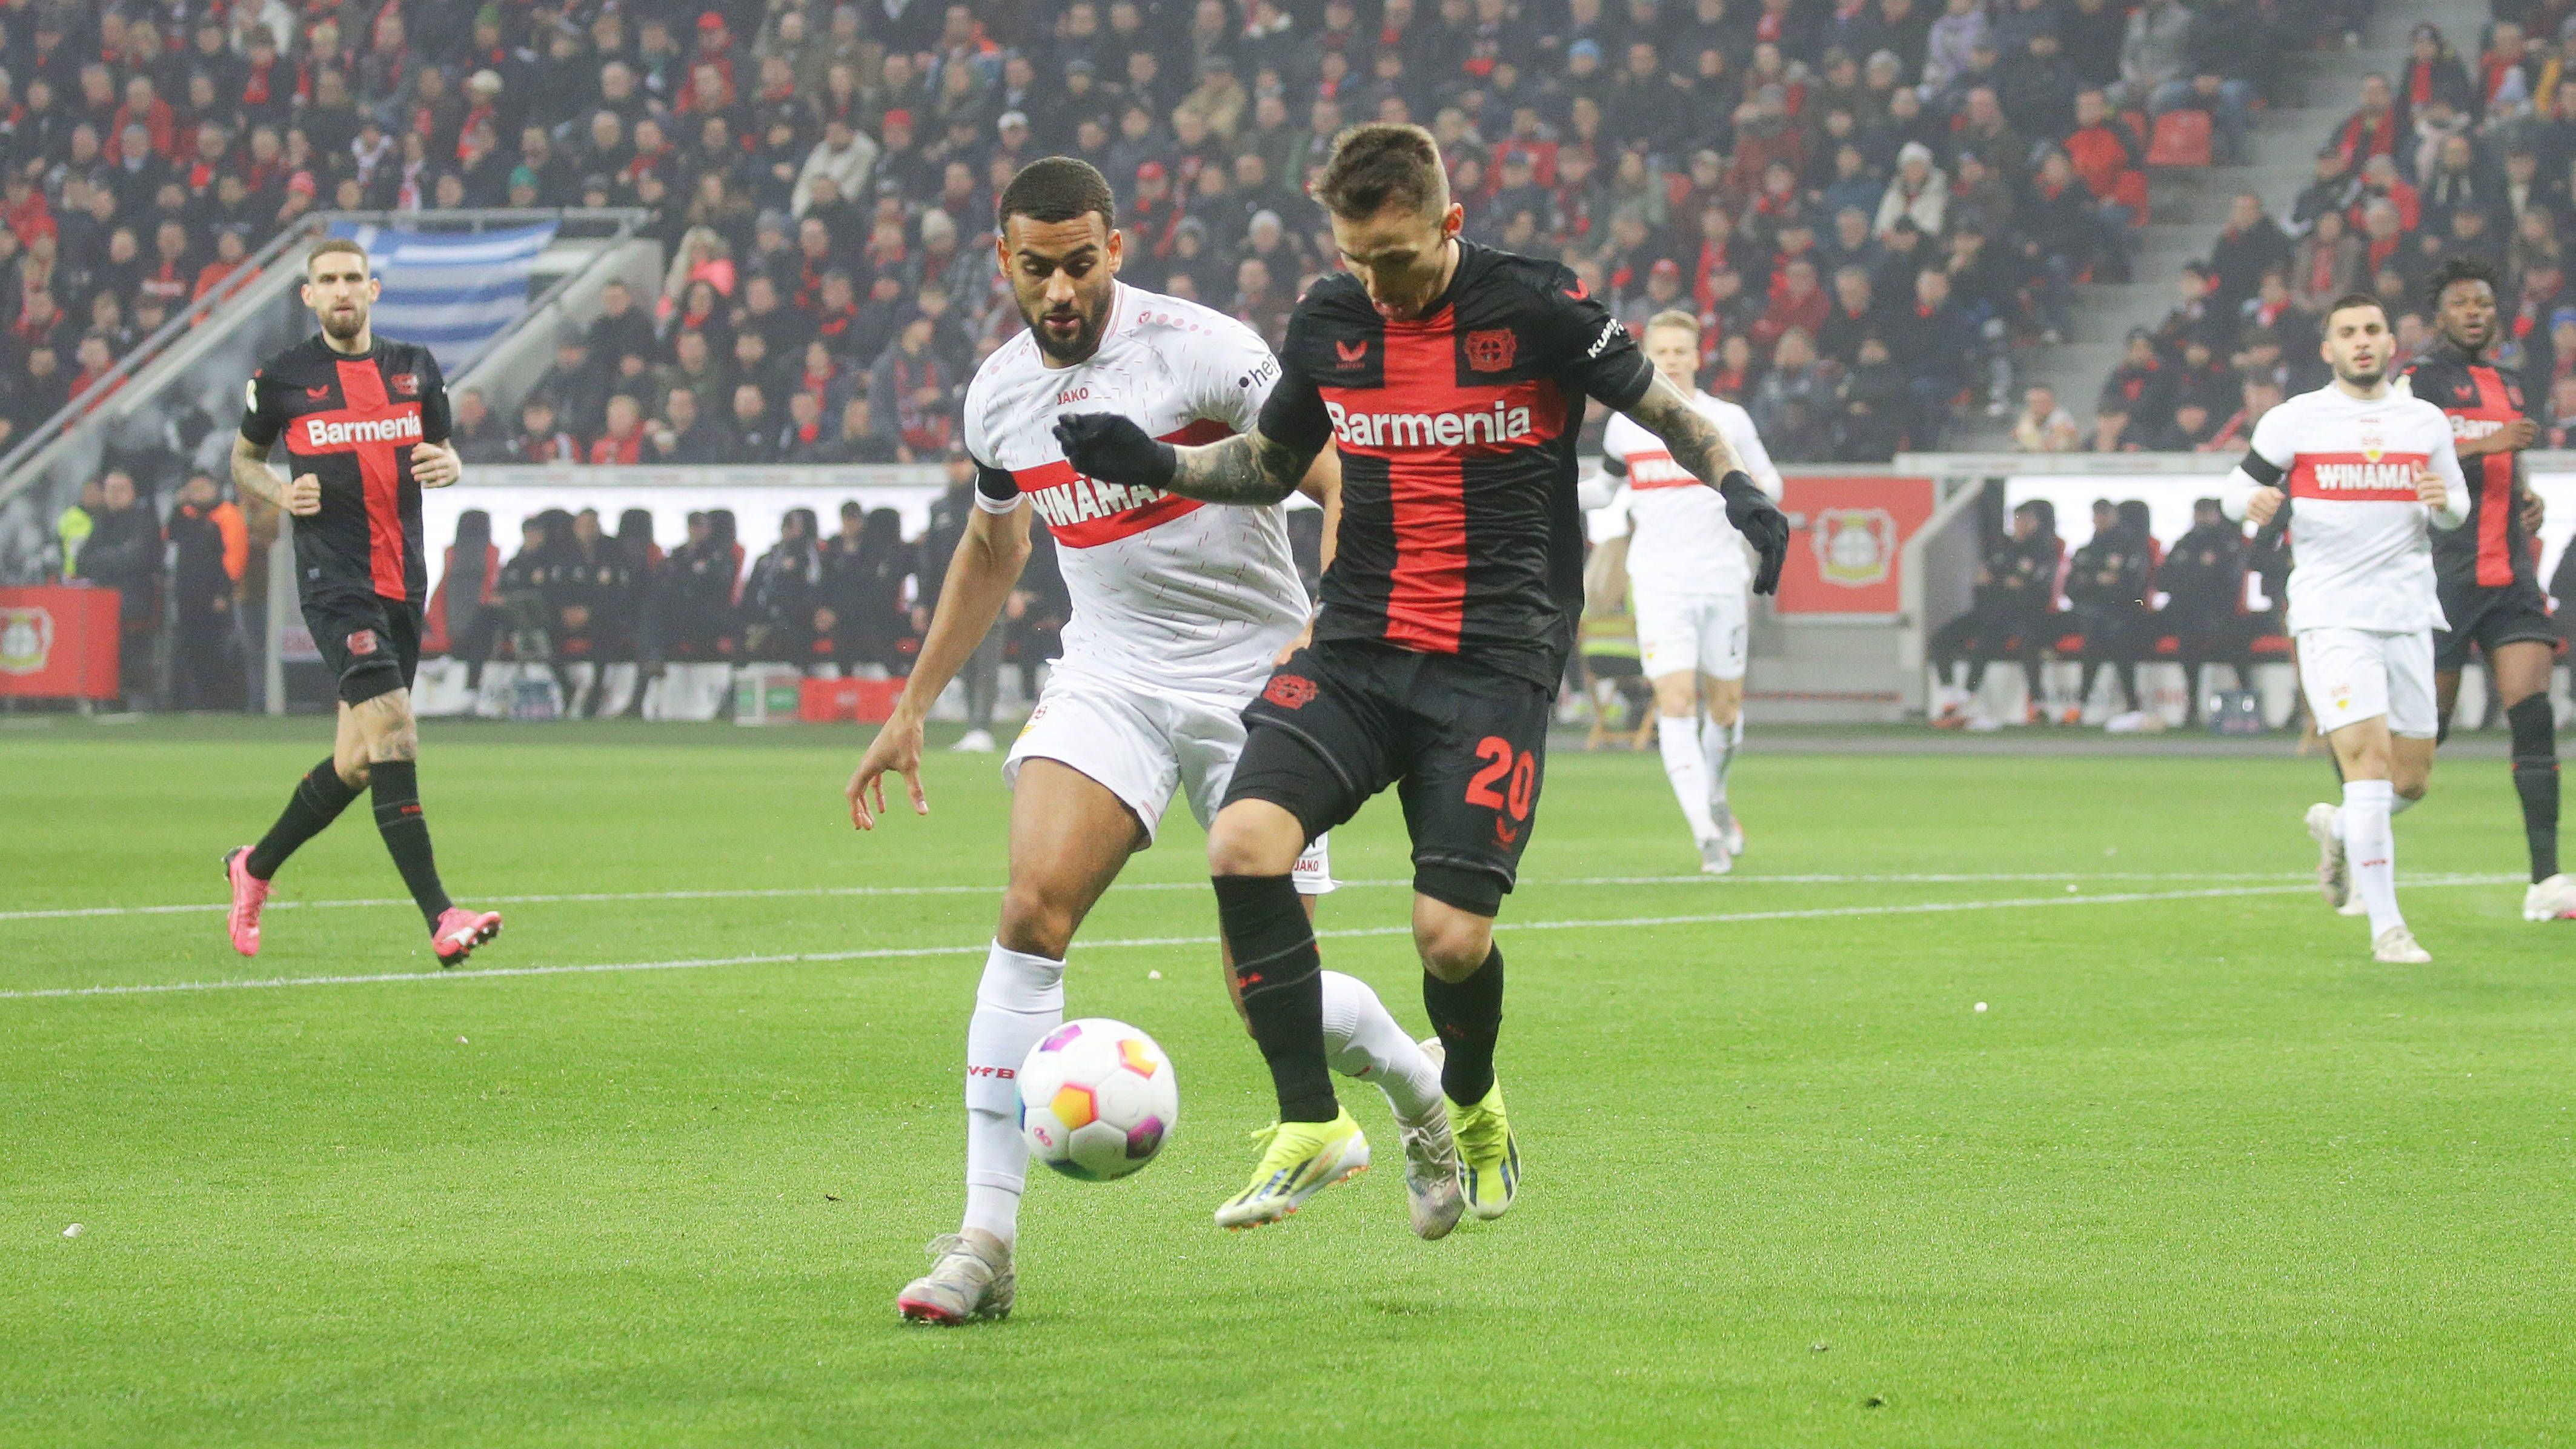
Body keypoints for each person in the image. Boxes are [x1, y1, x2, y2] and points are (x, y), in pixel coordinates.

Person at [1055, 125, 1790, 1231]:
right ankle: (1311, 1122)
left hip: (1494, 663)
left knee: (1450, 938)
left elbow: (1672, 415)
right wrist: (1154, 461)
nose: (1373, 283)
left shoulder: (1535, 306)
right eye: (1354, 257)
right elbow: (1267, 462)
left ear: (1447, 225)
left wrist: (1740, 490)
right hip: (1356, 649)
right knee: (1242, 846)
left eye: (1393, 259)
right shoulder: (1331, 320)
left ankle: (1472, 1097)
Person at [848, 158, 1462, 1326]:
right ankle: (984, 1241)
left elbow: (1342, 480)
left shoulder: (1203, 351)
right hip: (1111, 677)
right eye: (1039, 269)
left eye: (1082, 263)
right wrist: (914, 701)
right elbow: (995, 550)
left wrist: (1334, 638)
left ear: (1114, 249)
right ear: (1005, 264)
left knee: (1263, 1000)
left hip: (1259, 681)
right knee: (1030, 910)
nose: (1062, 290)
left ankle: (1419, 1090)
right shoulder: (997, 398)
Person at [222, 237, 501, 966]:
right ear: (308, 296)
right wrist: (281, 491)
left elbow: (443, 451)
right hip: (334, 584)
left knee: (356, 762)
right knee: (397, 735)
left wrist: (453, 463)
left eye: (352, 278)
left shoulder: (414, 369)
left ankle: (253, 867)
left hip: (401, 583)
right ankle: (442, 916)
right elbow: (243, 461)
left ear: (373, 291)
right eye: (327, 281)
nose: (341, 290)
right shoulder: (282, 379)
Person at [2223, 293, 2469, 964]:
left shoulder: (2423, 423)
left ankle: (2339, 828)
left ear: (2390, 342)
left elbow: (2456, 509)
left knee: (2410, 780)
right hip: (2331, 612)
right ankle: (2387, 927)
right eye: (2347, 333)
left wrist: (2443, 504)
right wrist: (2255, 499)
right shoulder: (2295, 419)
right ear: (2327, 349)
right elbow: (2230, 490)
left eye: (2371, 330)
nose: (2361, 342)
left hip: (2408, 611)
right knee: (2366, 763)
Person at [2394, 257, 2576, 921]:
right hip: (2444, 571)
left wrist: (2526, 497)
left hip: (2511, 574)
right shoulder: (2417, 380)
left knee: (2532, 711)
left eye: (2483, 302)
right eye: (2461, 302)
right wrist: (2488, 442)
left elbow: (2512, 455)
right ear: (2438, 314)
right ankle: (2354, 824)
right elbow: (2406, 462)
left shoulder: (2506, 379)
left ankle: (2547, 881)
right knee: (2426, 732)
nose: (2474, 311)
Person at [1596, 309, 1784, 872]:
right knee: (1675, 703)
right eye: (1663, 351)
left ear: (1698, 357)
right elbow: (1605, 491)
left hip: (1722, 581)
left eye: (1682, 351)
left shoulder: (1728, 420)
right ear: (1648, 355)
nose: (1673, 360)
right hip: (1657, 583)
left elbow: (1769, 483)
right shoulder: (1626, 425)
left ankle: (1717, 798)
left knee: (1724, 711)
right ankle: (1705, 834)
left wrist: (1746, 499)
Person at [1928, 500, 2060, 726]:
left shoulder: (2043, 550)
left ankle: (2031, 703)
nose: (2021, 524)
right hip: (1989, 611)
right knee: (1941, 638)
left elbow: (2033, 590)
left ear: (2037, 522)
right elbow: (1982, 586)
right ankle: (1950, 695)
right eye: (2018, 518)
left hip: (2021, 615)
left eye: (2027, 519)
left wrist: (2000, 583)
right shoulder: (2003, 549)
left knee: (1994, 640)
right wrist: (2004, 583)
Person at [2155, 497, 2256, 726]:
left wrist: (2191, 574)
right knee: (2185, 641)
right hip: (2187, 614)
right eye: (2198, 512)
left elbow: (2228, 581)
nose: (2201, 517)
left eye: (2207, 512)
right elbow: (2163, 580)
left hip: (2222, 613)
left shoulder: (2228, 542)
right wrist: (2199, 570)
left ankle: (2249, 704)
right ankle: (2191, 708)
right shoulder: (2185, 542)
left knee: (2236, 641)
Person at [166, 470, 248, 711]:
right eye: (194, 489)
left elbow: (235, 557)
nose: (198, 494)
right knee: (190, 648)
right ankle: (192, 700)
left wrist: (224, 592)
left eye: (203, 488)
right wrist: (176, 508)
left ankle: (220, 701)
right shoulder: (186, 516)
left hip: (215, 597)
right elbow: (170, 537)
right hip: (187, 596)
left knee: (217, 649)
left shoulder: (227, 515)